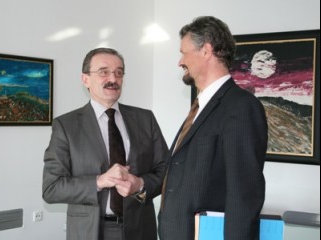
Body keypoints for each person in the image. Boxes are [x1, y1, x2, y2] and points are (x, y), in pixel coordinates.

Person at [158, 16, 268, 240]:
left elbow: (244, 195)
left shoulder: (241, 107)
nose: (180, 62)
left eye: (184, 52)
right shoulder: (200, 107)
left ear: (206, 50)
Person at [42, 47, 168, 240]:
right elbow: (51, 188)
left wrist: (141, 185)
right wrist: (99, 181)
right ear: (85, 79)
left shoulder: (145, 119)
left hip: (140, 229)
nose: (113, 79)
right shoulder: (66, 126)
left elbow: (166, 171)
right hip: (90, 231)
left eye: (119, 73)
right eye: (104, 72)